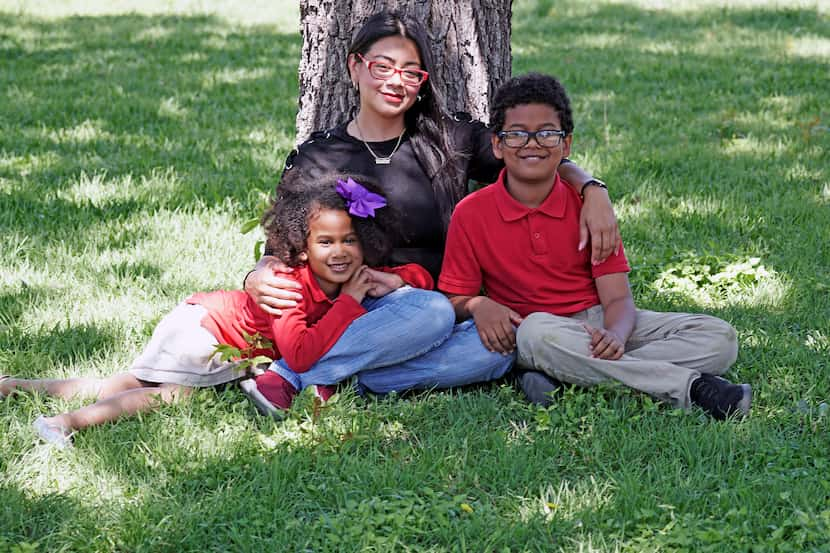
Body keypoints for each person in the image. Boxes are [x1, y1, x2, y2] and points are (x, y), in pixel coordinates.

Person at [243, 11, 620, 405]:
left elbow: (528, 151)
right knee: (433, 313)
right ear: (355, 67)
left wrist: (592, 188)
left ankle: (328, 379)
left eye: (411, 72)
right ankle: (293, 374)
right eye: (382, 66)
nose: (396, 81)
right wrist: (257, 274)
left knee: (499, 348)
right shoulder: (319, 155)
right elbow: (279, 250)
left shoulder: (449, 137)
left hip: (437, 299)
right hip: (355, 307)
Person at [0, 172, 435, 446]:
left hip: (211, 327)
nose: (340, 252)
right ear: (301, 248)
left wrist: (397, 280)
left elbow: (419, 277)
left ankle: (16, 386)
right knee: (166, 395)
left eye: (350, 240)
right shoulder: (288, 287)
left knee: (132, 382)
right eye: (326, 242)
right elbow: (302, 355)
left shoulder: (350, 270)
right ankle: (63, 423)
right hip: (207, 335)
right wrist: (349, 304)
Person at [437, 72, 752, 420]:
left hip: (596, 321)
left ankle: (563, 375)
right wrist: (480, 305)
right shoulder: (472, 212)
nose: (532, 143)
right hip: (535, 329)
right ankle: (691, 389)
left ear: (566, 145)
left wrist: (615, 335)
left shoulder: (589, 207)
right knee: (536, 335)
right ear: (497, 145)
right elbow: (456, 298)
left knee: (719, 338)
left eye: (546, 133)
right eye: (516, 134)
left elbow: (617, 298)